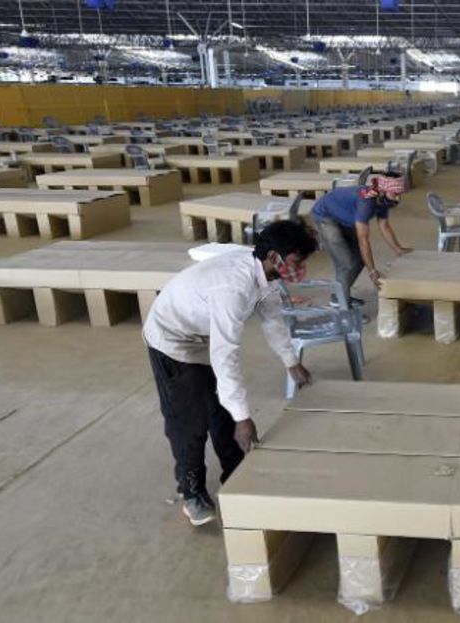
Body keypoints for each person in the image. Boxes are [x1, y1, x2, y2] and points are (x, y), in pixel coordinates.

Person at [143, 220, 318, 526]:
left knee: (221, 414)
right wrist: (244, 417)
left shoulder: (266, 275)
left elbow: (272, 319)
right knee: (190, 420)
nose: (300, 268)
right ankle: (191, 492)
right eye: (296, 260)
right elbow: (225, 355)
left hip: (202, 334)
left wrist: (292, 361)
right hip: (172, 338)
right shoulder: (232, 288)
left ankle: (236, 478)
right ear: (275, 256)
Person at [310, 173, 412, 303]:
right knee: (346, 263)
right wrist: (372, 272)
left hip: (345, 217)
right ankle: (342, 304)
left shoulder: (383, 200)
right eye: (395, 193)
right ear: (384, 190)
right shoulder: (367, 202)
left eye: (400, 194)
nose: (398, 198)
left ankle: (340, 295)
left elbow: (384, 226)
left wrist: (399, 250)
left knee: (359, 260)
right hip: (325, 216)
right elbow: (363, 240)